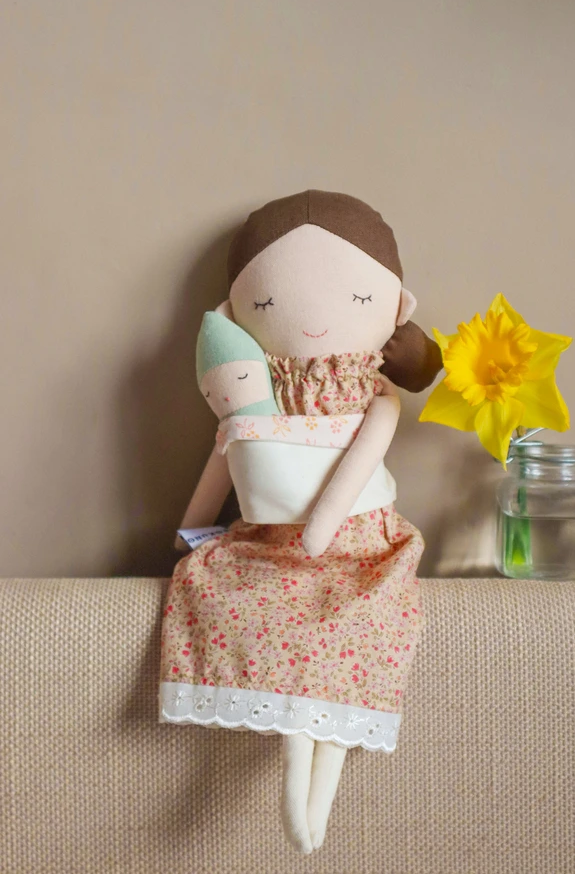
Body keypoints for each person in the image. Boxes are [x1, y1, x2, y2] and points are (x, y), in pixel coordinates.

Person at [159, 190, 439, 854]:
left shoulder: (376, 394)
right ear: (235, 314)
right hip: (267, 543)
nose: (312, 323)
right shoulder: (257, 390)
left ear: (397, 307)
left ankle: (318, 792)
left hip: (359, 543)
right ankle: (295, 778)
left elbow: (366, 452)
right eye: (266, 305)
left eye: (360, 299)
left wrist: (324, 525)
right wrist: (193, 528)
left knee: (356, 624)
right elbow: (230, 449)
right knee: (256, 613)